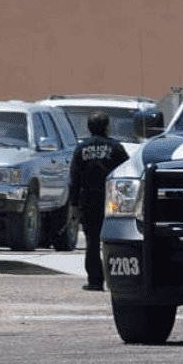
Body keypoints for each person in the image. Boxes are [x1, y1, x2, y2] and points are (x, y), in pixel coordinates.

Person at [69, 111, 129, 291]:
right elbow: (127, 173)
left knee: (92, 242)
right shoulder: (116, 148)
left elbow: (74, 179)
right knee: (116, 240)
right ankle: (119, 280)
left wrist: (73, 205)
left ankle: (95, 281)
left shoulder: (81, 149)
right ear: (107, 127)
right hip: (111, 200)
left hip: (88, 200)